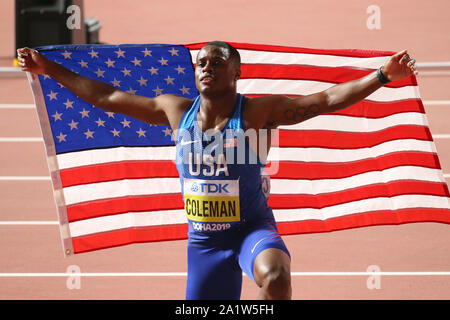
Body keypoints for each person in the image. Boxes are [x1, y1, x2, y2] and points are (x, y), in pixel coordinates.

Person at [17, 41, 417, 300]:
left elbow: (327, 99)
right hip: (204, 243)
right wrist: (49, 68)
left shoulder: (259, 112)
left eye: (217, 61)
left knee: (276, 279)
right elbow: (106, 96)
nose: (206, 67)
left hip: (251, 230)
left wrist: (382, 75)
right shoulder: (174, 110)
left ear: (236, 72)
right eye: (201, 62)